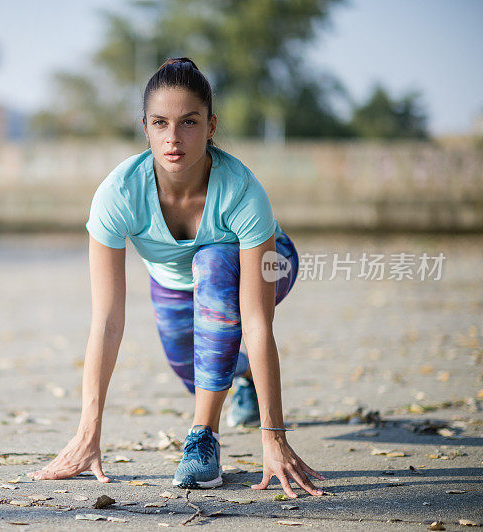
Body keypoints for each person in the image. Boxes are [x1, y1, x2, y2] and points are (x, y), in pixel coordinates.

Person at [28, 58, 324, 496]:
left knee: (214, 265)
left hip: (268, 263)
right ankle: (241, 379)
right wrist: (87, 433)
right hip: (173, 280)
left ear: (210, 126)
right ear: (144, 127)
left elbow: (256, 323)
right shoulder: (118, 194)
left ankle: (203, 441)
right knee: (192, 371)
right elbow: (107, 321)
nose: (173, 137)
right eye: (160, 123)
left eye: (189, 122)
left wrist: (274, 436)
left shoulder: (242, 190)